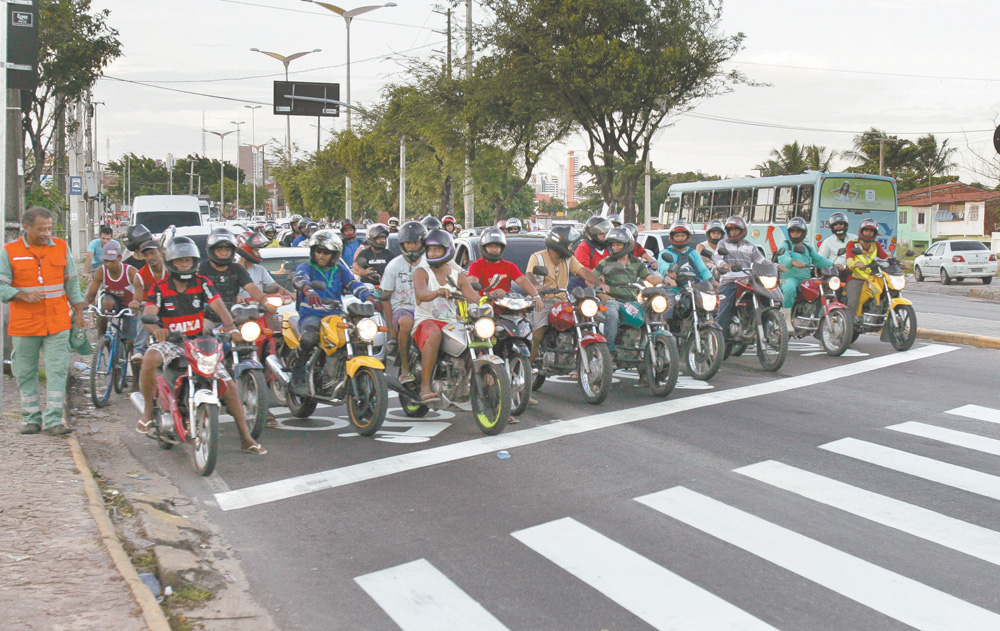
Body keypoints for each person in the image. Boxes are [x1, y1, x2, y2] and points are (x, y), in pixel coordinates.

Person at [136, 236, 265, 455]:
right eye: (180, 261)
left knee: (229, 385)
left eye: (188, 260)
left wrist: (231, 328)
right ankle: (148, 411)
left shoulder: (202, 282)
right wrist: (157, 329)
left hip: (199, 342)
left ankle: (246, 437)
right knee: (149, 357)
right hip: (173, 342)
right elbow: (149, 314)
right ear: (170, 262)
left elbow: (219, 305)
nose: (185, 265)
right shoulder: (159, 288)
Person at [0, 206, 87, 435]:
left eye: (49, 228)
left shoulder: (61, 247)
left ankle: (54, 421)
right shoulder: (9, 251)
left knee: (57, 369)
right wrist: (22, 295)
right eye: (41, 229)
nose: (47, 233)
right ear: (26, 227)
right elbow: (1, 286)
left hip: (57, 321)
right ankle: (31, 418)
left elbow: (72, 284)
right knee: (24, 371)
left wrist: (79, 312)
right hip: (25, 323)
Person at [289, 230, 377, 394]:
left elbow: (353, 284)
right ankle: (298, 376)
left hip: (335, 316)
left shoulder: (340, 269)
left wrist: (369, 298)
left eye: (326, 252)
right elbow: (300, 278)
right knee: (309, 338)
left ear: (334, 254)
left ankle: (339, 376)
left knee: (358, 338)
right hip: (312, 315)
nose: (321, 255)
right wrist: (307, 290)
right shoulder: (306, 266)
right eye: (318, 251)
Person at [412, 229, 481, 403]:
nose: (432, 253)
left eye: (437, 249)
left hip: (450, 322)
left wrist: (493, 298)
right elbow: (420, 294)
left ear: (447, 250)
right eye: (430, 249)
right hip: (426, 320)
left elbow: (473, 296)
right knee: (434, 334)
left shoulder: (457, 276)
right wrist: (436, 292)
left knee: (478, 334)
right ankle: (425, 386)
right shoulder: (421, 272)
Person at [526, 225, 603, 361]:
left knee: (585, 320)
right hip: (543, 300)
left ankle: (579, 357)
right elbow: (529, 276)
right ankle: (530, 363)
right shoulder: (537, 257)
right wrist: (538, 287)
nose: (571, 248)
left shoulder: (568, 259)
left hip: (564, 299)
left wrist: (599, 283)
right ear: (559, 243)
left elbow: (583, 271)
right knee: (538, 331)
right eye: (569, 245)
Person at [595, 227, 667, 362]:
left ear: (627, 244)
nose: (615, 247)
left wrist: (665, 280)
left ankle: (647, 352)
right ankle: (609, 351)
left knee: (652, 311)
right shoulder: (606, 262)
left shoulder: (637, 262)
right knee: (612, 312)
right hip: (614, 300)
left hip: (633, 301)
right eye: (613, 244)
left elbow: (649, 278)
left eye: (618, 244)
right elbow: (590, 279)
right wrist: (600, 289)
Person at [381, 221, 426, 384]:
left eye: (415, 243)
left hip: (426, 310)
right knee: (406, 323)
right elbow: (385, 298)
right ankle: (405, 369)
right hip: (402, 309)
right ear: (402, 244)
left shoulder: (430, 263)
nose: (412, 247)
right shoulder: (394, 265)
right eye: (408, 243)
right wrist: (392, 331)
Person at [198, 228, 273, 322]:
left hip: (235, 316)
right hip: (209, 318)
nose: (224, 253)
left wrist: (265, 302)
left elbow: (251, 287)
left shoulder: (237, 268)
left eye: (227, 249)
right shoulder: (203, 268)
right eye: (219, 249)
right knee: (202, 331)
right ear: (211, 250)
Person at [713, 216, 770, 339]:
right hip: (729, 281)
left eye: (736, 229)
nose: (733, 232)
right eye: (730, 230)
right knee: (723, 311)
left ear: (742, 230)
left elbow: (761, 261)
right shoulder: (723, 244)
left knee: (765, 300)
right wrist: (723, 265)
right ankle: (718, 341)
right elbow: (717, 257)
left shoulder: (750, 246)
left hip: (748, 282)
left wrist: (775, 266)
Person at [777, 217, 834, 332]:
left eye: (798, 231)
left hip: (805, 279)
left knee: (821, 289)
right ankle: (786, 320)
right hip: (789, 278)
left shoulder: (808, 247)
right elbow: (782, 257)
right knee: (789, 288)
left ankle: (817, 320)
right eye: (793, 231)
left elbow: (819, 259)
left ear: (803, 233)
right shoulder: (786, 245)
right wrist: (792, 262)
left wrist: (834, 265)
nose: (795, 234)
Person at [83, 240, 141, 343]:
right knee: (105, 303)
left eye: (112, 260)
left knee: (130, 341)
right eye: (106, 261)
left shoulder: (131, 272)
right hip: (111, 303)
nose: (108, 264)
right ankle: (102, 339)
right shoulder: (101, 271)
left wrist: (138, 305)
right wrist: (80, 308)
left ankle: (129, 352)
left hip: (129, 306)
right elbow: (91, 294)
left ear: (120, 258)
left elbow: (140, 291)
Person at [467, 227, 543, 303]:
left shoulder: (509, 266)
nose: (494, 249)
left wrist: (536, 296)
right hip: (485, 306)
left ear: (502, 248)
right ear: (483, 247)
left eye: (497, 246)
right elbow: (472, 285)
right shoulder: (476, 266)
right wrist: (487, 295)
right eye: (490, 246)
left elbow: (522, 281)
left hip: (506, 306)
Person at [130, 240, 167, 388]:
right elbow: (138, 297)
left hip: (169, 306)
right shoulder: (140, 275)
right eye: (146, 255)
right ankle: (139, 350)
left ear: (161, 253)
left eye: (153, 253)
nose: (151, 257)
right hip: (150, 307)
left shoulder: (170, 270)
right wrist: (135, 303)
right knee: (143, 315)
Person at [844, 218, 889, 326]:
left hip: (872, 278)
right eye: (866, 230)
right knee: (853, 302)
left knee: (886, 294)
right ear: (861, 231)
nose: (868, 233)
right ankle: (848, 327)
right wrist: (855, 264)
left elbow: (885, 257)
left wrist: (896, 262)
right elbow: (849, 259)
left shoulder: (876, 245)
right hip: (855, 278)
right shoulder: (852, 244)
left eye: (871, 231)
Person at [657, 221, 714, 290]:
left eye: (682, 236)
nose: (680, 238)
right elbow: (662, 265)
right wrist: (668, 271)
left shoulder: (693, 253)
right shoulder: (665, 253)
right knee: (669, 299)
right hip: (673, 290)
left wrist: (711, 280)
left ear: (688, 236)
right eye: (677, 236)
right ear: (672, 237)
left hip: (693, 289)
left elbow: (702, 269)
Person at [237, 232, 294, 301]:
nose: (258, 254)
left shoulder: (260, 270)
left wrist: (291, 295)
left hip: (259, 308)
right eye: (256, 250)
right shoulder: (233, 270)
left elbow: (273, 286)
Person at [568, 215, 613, 292]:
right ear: (593, 234)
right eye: (601, 233)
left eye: (606, 233)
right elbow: (582, 268)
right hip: (581, 285)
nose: (605, 236)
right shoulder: (584, 246)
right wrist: (598, 276)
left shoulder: (608, 248)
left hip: (603, 284)